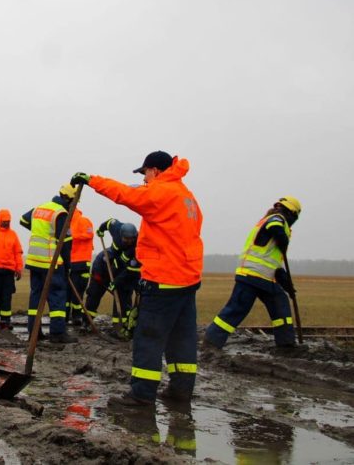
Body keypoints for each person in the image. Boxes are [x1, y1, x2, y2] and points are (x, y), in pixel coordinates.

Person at [71, 150, 203, 405]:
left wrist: (91, 180)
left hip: (163, 278)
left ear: (154, 170)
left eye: (145, 173)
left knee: (149, 337)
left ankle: (142, 395)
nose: (144, 179)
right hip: (187, 279)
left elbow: (126, 194)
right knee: (181, 338)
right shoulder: (185, 196)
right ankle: (180, 390)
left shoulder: (160, 192)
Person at [204, 196, 302, 349]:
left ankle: (286, 343)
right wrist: (282, 238)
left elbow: (273, 260)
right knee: (236, 309)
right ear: (291, 213)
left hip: (265, 277)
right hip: (252, 274)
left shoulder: (279, 222)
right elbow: (274, 226)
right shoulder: (277, 218)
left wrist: (286, 282)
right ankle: (211, 341)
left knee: (280, 306)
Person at [19, 183, 79, 344]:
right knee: (57, 295)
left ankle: (34, 332)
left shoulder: (41, 207)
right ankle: (57, 333)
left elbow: (23, 220)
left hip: (34, 260)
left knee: (36, 297)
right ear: (69, 199)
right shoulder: (61, 213)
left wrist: (40, 231)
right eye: (74, 201)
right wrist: (67, 266)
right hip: (51, 262)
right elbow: (65, 244)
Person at [86, 219, 141, 332]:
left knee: (124, 297)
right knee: (94, 295)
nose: (129, 241)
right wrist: (101, 230)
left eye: (132, 239)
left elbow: (128, 271)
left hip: (122, 271)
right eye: (126, 239)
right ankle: (86, 322)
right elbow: (109, 222)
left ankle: (119, 326)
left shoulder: (137, 247)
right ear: (121, 235)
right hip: (103, 270)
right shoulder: (116, 228)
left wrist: (115, 283)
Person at [0, 209, 24, 329]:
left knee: (6, 297)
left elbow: (17, 252)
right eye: (4, 221)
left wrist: (19, 268)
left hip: (8, 272)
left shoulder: (13, 234)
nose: (6, 223)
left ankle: (5, 322)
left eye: (8, 221)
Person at [68, 208, 94, 326]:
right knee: (68, 290)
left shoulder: (84, 221)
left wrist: (73, 236)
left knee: (78, 290)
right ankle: (65, 316)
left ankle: (77, 316)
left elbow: (89, 234)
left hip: (83, 262)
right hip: (70, 262)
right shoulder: (67, 223)